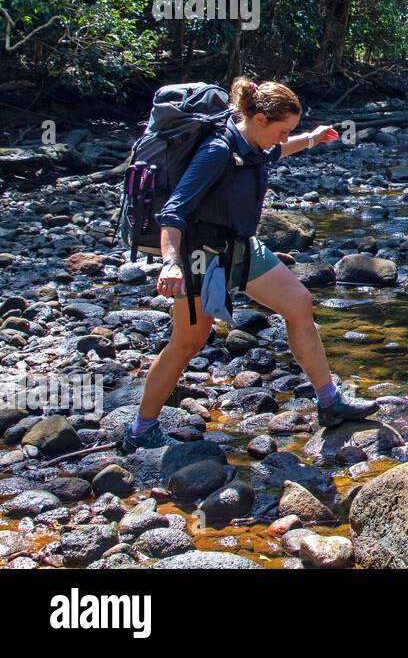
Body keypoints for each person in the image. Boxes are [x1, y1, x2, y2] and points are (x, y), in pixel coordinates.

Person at [122, 78, 377, 452]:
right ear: (258, 119)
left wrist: (311, 137)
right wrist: (171, 265)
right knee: (187, 342)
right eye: (281, 130)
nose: (282, 137)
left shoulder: (256, 144)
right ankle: (140, 430)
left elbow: (277, 151)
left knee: (299, 304)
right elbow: (173, 212)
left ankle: (330, 402)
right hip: (199, 253)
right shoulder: (217, 150)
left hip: (240, 246)